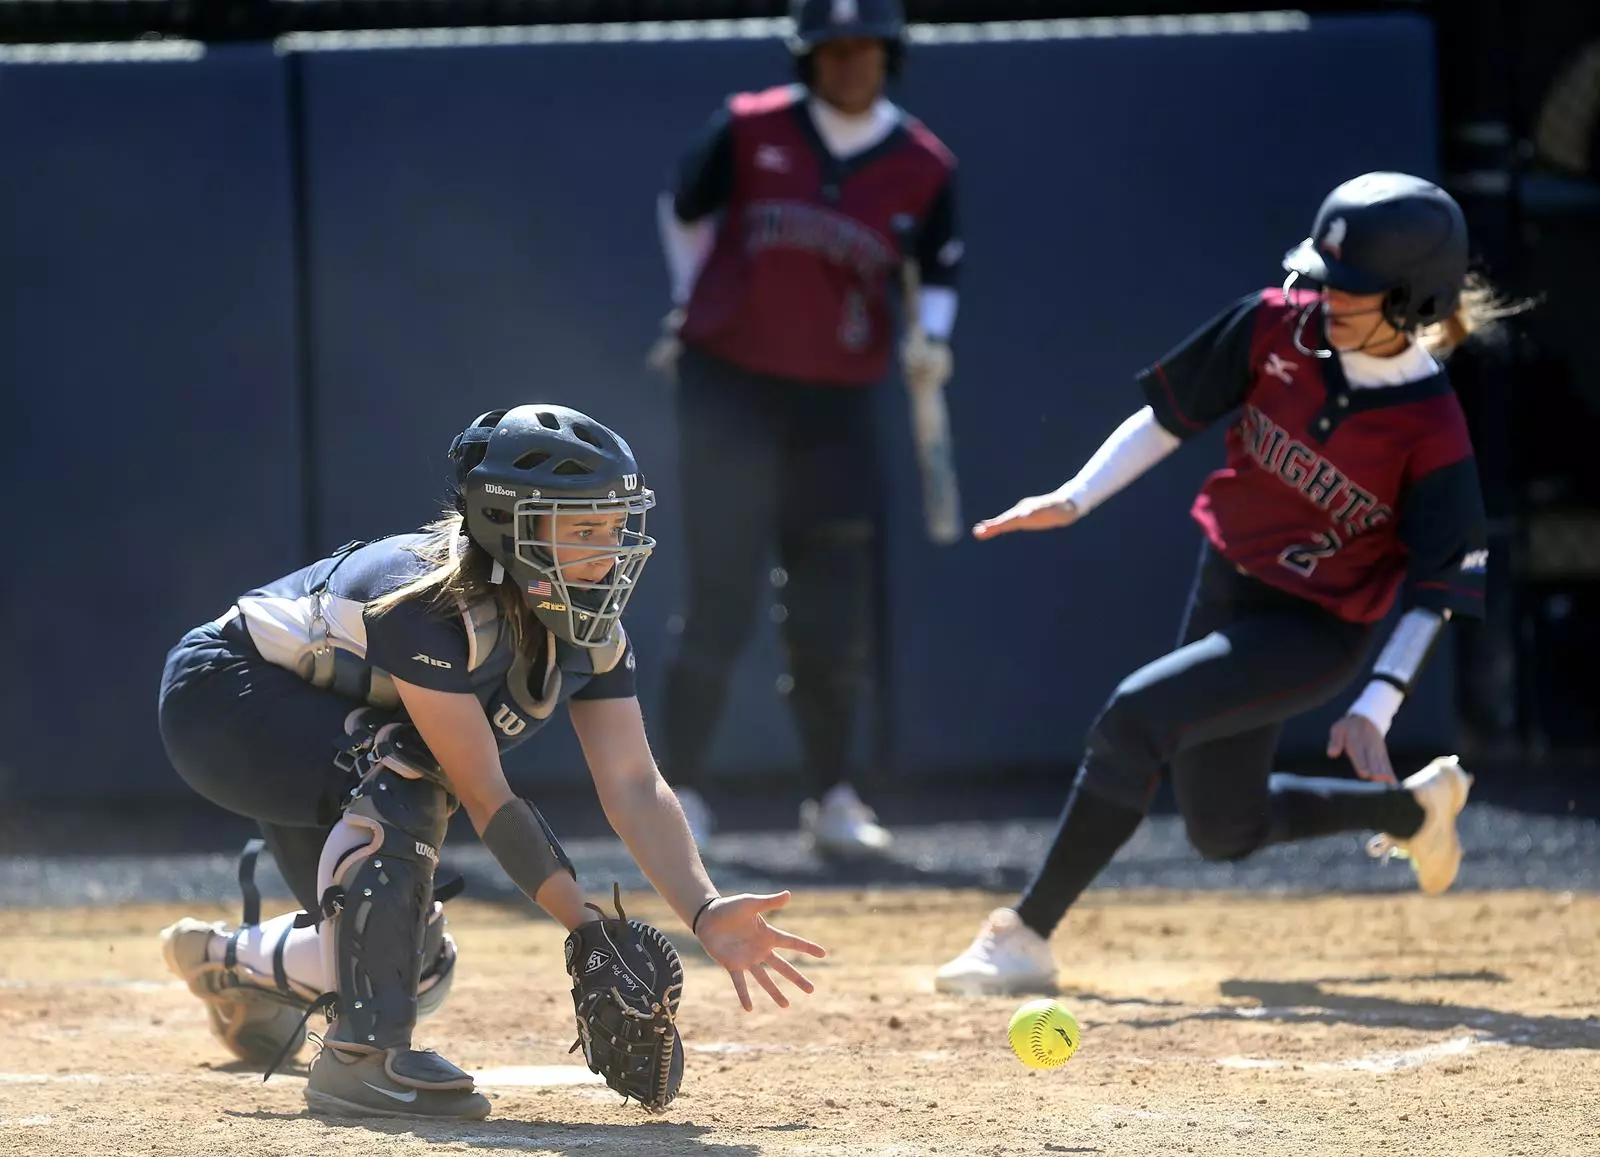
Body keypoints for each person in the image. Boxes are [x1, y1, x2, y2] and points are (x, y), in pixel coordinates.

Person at [156, 404, 826, 1118]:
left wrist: (704, 905)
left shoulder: (588, 624)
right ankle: (363, 1061)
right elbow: (481, 790)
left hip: (332, 735)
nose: (609, 549)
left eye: (614, 524)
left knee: (408, 961)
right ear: (513, 525)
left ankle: (234, 968)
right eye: (584, 528)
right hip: (225, 700)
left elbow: (633, 782)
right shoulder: (428, 601)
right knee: (408, 771)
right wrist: (589, 928)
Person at [935, 172, 1504, 995]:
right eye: (1326, 277)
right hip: (1228, 581)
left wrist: (1375, 704)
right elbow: (1171, 418)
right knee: (1224, 828)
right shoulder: (1275, 323)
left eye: (1354, 288)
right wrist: (1075, 496)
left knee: (1133, 721)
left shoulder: (1431, 424)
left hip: (1312, 629)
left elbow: (1439, 588)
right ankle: (1414, 811)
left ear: (1415, 297)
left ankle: (1024, 933)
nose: (1325, 298)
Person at [647, 0, 962, 856]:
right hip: (731, 391)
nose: (849, 66)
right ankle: (680, 797)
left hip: (836, 405)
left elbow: (935, 267)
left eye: (865, 50)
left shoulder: (923, 164)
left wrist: (930, 338)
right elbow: (683, 207)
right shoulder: (750, 129)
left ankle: (831, 795)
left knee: (831, 613)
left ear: (890, 55)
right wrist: (689, 302)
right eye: (833, 51)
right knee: (719, 598)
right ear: (808, 59)